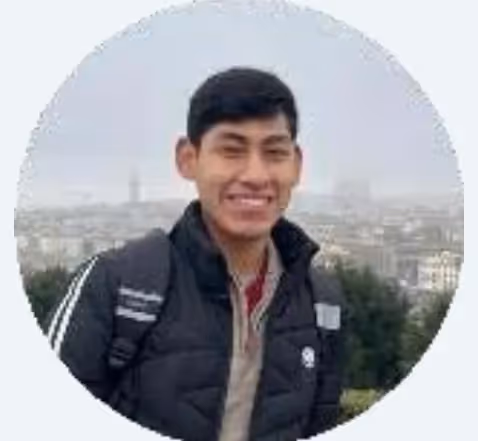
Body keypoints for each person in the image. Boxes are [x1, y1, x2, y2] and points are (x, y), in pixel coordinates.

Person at [45, 67, 345, 441]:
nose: (255, 175)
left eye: (274, 152)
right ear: (188, 158)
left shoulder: (322, 302)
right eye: (232, 150)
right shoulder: (116, 285)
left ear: (296, 165)